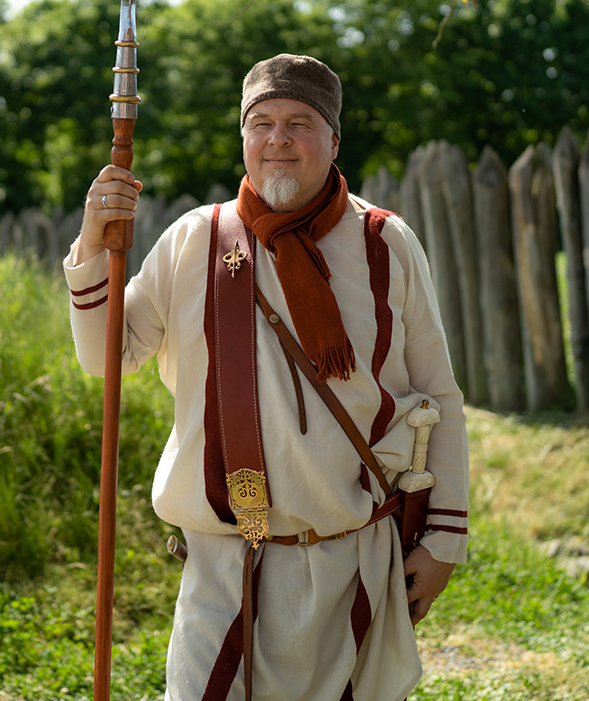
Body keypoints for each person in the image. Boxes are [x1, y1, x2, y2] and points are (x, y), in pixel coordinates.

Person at [64, 53, 468, 701]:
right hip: (223, 567)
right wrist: (91, 247)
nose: (278, 139)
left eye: (299, 123)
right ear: (244, 138)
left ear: (333, 141)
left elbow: (438, 393)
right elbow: (106, 360)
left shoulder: (385, 244)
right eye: (261, 123)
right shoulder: (194, 239)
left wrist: (445, 537)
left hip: (351, 563)